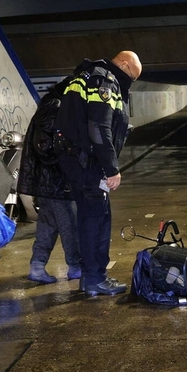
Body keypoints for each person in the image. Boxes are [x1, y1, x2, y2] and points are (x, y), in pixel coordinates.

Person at [53, 51, 142, 296]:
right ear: (123, 64)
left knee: (88, 219)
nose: (129, 83)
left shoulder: (85, 76)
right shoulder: (104, 81)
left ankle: (89, 277)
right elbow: (99, 127)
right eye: (131, 77)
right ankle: (95, 279)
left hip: (77, 161)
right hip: (89, 165)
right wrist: (112, 169)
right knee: (97, 221)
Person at [16, 81, 82, 284]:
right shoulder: (55, 108)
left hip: (47, 182)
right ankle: (75, 267)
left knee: (48, 225)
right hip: (56, 182)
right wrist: (69, 157)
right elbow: (46, 146)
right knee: (69, 224)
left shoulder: (50, 106)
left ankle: (37, 266)